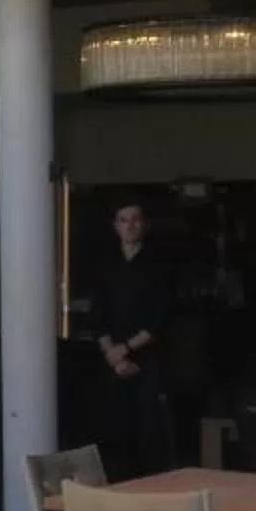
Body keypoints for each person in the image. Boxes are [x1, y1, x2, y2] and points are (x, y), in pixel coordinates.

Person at [89, 199, 174, 476]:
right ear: (115, 226)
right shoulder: (105, 265)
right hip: (111, 360)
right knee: (112, 431)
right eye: (123, 220)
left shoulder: (159, 265)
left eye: (136, 220)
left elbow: (160, 318)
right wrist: (113, 355)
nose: (130, 226)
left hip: (147, 357)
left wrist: (125, 349)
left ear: (145, 224)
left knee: (148, 432)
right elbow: (97, 315)